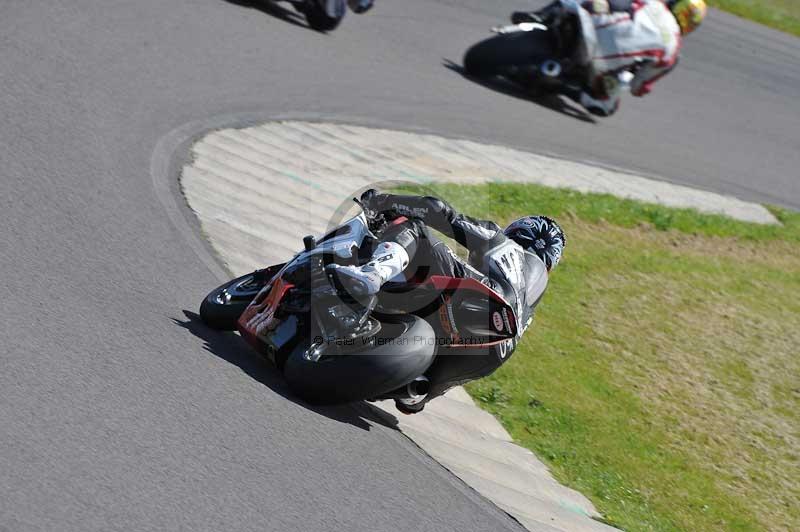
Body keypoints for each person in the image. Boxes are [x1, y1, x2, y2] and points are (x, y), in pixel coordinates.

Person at [328, 190, 566, 413]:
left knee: (414, 229)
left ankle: (373, 274)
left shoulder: (503, 242)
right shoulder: (529, 304)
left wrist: (385, 202)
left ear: (516, 231)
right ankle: (416, 387)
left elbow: (441, 212)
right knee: (411, 399)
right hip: (490, 356)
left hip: (480, 298)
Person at [512, 0, 707, 116]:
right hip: (600, 65)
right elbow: (637, 87)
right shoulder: (672, 51)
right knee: (606, 106)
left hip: (590, 27)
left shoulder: (652, 3)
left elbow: (615, 3)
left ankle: (540, 16)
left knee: (578, 3)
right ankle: (558, 86)